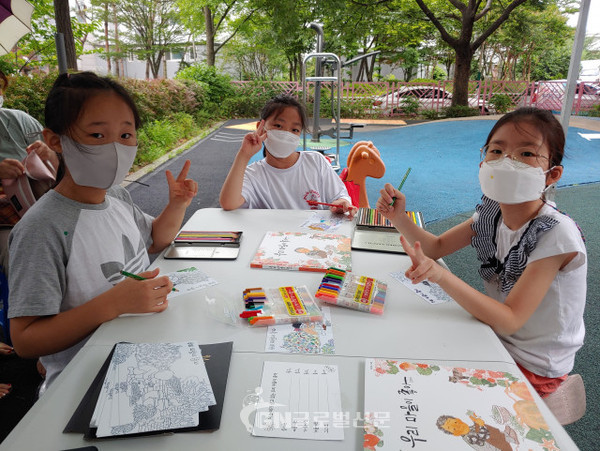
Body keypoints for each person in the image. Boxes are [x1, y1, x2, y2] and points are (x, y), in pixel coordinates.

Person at [7, 72, 198, 393]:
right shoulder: (42, 228)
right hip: (87, 383)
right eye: (97, 135)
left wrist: (178, 204)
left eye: (126, 135)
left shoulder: (117, 197)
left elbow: (156, 239)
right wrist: (113, 304)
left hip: (147, 356)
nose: (115, 148)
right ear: (55, 141)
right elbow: (25, 340)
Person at [376, 107, 586, 398]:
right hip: (496, 336)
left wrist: (439, 276)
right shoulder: (492, 214)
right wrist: (399, 217)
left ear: (553, 174)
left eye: (526, 154)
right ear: (482, 163)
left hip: (533, 365)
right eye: (496, 151)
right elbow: (436, 247)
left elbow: (511, 318)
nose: (506, 162)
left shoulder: (555, 234)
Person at [219, 94, 356, 218]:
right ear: (261, 127)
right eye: (278, 125)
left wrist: (342, 203)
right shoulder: (252, 174)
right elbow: (228, 203)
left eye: (294, 130)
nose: (286, 134)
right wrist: (243, 155)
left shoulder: (316, 161)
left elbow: (340, 196)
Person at [0, 69, 60, 270]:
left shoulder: (19, 120)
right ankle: (30, 298)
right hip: (7, 221)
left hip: (40, 205)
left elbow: (60, 166)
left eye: (0, 87)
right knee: (18, 248)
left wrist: (49, 154)